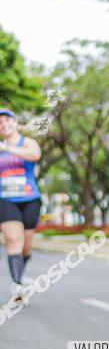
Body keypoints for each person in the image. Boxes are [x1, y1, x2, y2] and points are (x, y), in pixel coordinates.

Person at [0, 108, 43, 302]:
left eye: (8, 121)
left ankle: (20, 268)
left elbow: (35, 155)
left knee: (25, 247)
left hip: (30, 199)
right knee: (13, 241)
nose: (4, 125)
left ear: (15, 123)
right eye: (0, 123)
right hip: (6, 200)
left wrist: (6, 148)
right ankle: (17, 284)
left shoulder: (27, 142)